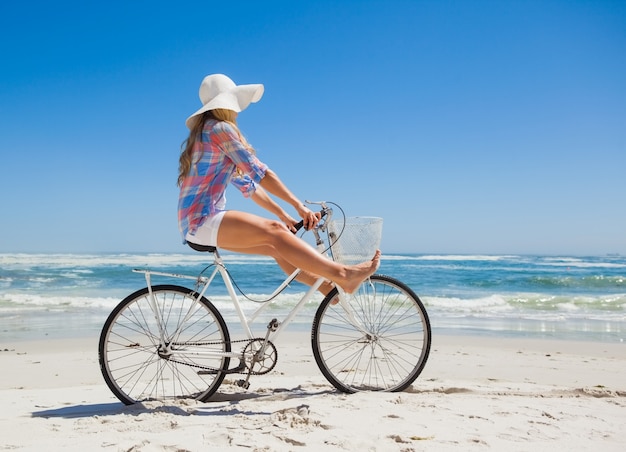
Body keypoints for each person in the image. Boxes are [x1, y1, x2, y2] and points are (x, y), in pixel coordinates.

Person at [177, 74, 380, 295]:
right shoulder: (219, 129)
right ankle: (343, 275)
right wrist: (298, 206)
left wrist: (283, 215)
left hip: (195, 226)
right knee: (274, 231)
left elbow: (249, 187)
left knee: (277, 245)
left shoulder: (207, 133)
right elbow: (260, 174)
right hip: (203, 220)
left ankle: (324, 288)